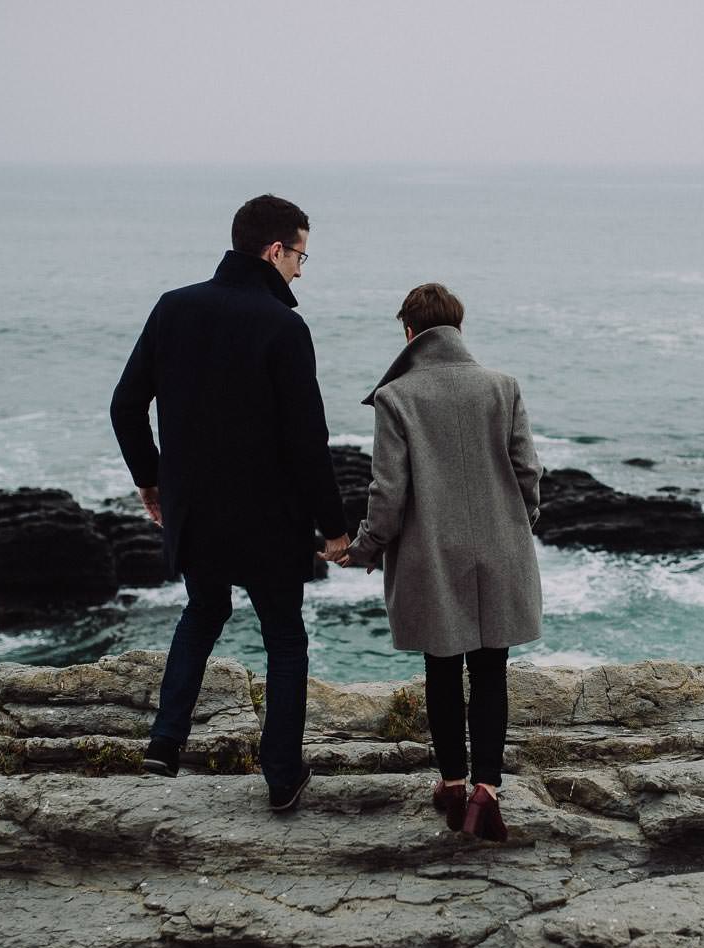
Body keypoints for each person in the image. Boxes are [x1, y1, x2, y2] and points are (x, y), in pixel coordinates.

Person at [111, 194, 348, 812]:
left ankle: (165, 742)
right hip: (269, 521)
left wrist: (151, 479)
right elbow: (307, 441)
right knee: (284, 637)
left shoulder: (174, 308)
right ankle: (281, 774)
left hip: (196, 513)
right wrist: (335, 526)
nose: (300, 269)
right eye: (300, 256)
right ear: (274, 251)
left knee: (203, 611)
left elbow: (125, 406)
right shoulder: (283, 326)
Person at [325, 283, 542, 841]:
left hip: (431, 554)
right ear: (459, 327)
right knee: (492, 669)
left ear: (409, 332)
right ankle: (486, 794)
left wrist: (367, 546)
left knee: (442, 668)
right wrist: (520, 525)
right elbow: (528, 475)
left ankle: (451, 784)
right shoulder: (503, 387)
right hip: (500, 546)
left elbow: (388, 492)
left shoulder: (398, 397)